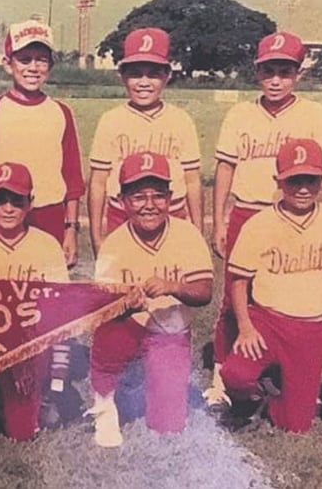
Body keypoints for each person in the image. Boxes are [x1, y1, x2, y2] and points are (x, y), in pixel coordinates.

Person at [207, 31, 322, 407]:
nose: (276, 79)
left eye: (284, 71)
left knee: (296, 293)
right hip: (249, 210)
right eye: (269, 70)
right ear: (257, 72)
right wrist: (219, 220)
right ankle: (222, 374)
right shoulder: (240, 114)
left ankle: (295, 375)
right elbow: (225, 168)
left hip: (297, 215)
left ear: (297, 74)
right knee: (234, 297)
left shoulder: (315, 114)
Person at [219, 139, 322, 433]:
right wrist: (245, 326)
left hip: (312, 329)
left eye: (311, 179)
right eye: (294, 180)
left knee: (295, 426)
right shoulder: (259, 223)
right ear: (278, 181)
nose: (303, 188)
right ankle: (263, 384)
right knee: (235, 376)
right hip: (267, 321)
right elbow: (239, 281)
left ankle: (278, 388)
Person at [88, 151, 213, 447]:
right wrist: (125, 303)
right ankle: (104, 403)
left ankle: (142, 386)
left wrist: (173, 286)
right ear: (122, 201)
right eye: (138, 197)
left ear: (170, 198)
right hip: (131, 328)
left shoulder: (186, 233)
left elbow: (205, 291)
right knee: (109, 335)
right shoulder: (114, 244)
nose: (149, 206)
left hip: (170, 334)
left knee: (168, 427)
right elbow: (99, 310)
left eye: (158, 196)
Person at [0, 20, 85, 265]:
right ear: (8, 64)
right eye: (25, 59)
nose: (33, 67)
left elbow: (72, 179)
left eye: (41, 60)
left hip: (48, 213)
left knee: (48, 291)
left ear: (50, 65)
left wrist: (71, 229)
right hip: (3, 214)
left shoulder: (60, 112)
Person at [0, 162, 72, 441]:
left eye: (17, 200)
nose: (9, 208)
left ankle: (45, 393)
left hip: (32, 344)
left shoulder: (46, 245)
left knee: (21, 432)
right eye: (0, 201)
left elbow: (62, 311)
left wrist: (59, 374)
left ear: (30, 203)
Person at [87, 27, 203, 253]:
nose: (144, 82)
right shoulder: (111, 120)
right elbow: (98, 182)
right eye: (135, 74)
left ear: (167, 76)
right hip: (122, 215)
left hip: (172, 214)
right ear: (122, 76)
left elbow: (192, 181)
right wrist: (96, 237)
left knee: (171, 281)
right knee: (124, 284)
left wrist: (197, 232)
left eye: (153, 74)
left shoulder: (181, 120)